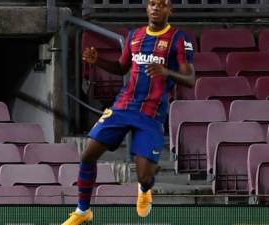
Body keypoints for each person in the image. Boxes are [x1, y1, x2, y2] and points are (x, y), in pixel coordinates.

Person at [61, 0, 195, 223]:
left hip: (151, 113)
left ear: (169, 10)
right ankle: (83, 212)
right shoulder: (135, 36)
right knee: (87, 154)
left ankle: (145, 189)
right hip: (123, 106)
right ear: (146, 8)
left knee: (144, 176)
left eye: (161, 5)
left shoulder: (179, 39)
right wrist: (99, 62)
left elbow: (190, 79)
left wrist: (165, 71)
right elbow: (122, 67)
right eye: (152, 3)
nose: (156, 8)